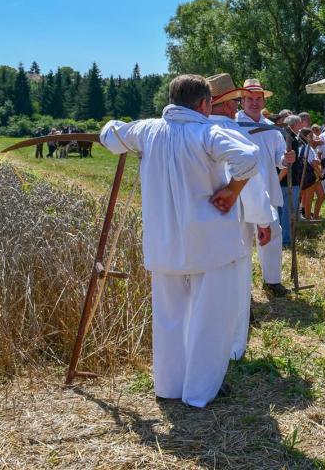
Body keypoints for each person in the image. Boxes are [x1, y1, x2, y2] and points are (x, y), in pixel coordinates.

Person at [99, 74, 260, 408]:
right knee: (210, 318)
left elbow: (109, 135)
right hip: (209, 242)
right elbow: (249, 156)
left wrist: (118, 126)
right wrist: (232, 192)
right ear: (204, 104)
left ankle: (169, 385)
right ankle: (199, 392)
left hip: (165, 242)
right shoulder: (208, 131)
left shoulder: (147, 130)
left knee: (169, 317)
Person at [206, 74, 277, 359]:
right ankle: (232, 345)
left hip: (197, 220)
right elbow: (251, 180)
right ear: (228, 104)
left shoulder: (189, 132)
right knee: (234, 278)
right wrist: (263, 219)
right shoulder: (231, 131)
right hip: (230, 216)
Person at [237, 78, 295, 298]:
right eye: (249, 98)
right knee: (242, 240)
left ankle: (272, 280)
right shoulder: (233, 124)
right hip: (240, 191)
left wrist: (286, 158)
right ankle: (243, 288)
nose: (254, 102)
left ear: (263, 101)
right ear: (242, 101)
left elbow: (279, 157)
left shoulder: (271, 127)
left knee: (273, 235)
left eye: (258, 98)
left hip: (267, 189)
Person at [279, 115, 304, 246]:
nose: (301, 127)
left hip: (284, 180)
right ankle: (286, 240)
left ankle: (281, 238)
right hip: (289, 181)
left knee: (282, 211)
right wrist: (279, 179)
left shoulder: (282, 136)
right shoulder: (291, 138)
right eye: (300, 124)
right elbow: (288, 164)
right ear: (294, 125)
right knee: (288, 212)